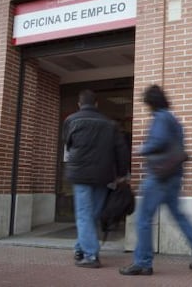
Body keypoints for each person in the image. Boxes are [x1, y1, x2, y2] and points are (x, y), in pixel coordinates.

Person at [119, 84, 192, 276]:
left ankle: (143, 263)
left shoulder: (161, 118)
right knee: (179, 216)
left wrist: (142, 148)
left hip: (158, 177)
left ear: (151, 103)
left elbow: (158, 141)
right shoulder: (174, 119)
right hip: (174, 176)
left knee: (143, 218)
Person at [62, 89, 129, 268]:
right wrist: (122, 174)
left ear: (79, 104)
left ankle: (90, 255)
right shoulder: (110, 124)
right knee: (92, 214)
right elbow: (121, 150)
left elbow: (68, 144)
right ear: (97, 103)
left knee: (84, 215)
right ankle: (80, 248)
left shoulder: (71, 120)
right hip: (103, 175)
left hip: (80, 174)